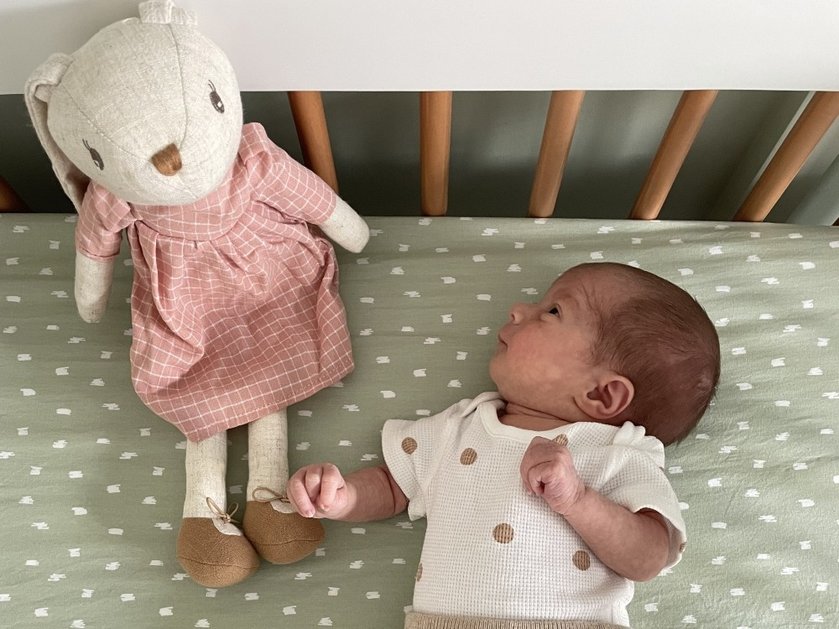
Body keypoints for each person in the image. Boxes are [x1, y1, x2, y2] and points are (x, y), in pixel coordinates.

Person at [287, 262, 721, 628]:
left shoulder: (619, 451)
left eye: (551, 311)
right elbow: (394, 483)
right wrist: (344, 497)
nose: (517, 310)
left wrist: (578, 500)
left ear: (602, 395)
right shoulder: (460, 426)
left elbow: (649, 557)